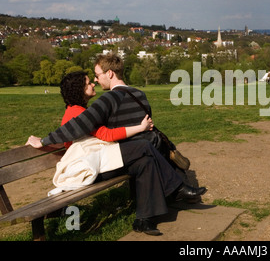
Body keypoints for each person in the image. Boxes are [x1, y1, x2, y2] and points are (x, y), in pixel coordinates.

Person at [26, 54, 207, 236]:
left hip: (102, 161)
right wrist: (42, 141)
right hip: (91, 167)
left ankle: (144, 220)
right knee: (144, 148)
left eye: (96, 75)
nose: (95, 81)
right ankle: (177, 188)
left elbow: (98, 132)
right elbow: (91, 130)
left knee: (145, 162)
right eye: (91, 80)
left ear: (110, 73)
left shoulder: (103, 101)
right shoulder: (132, 96)